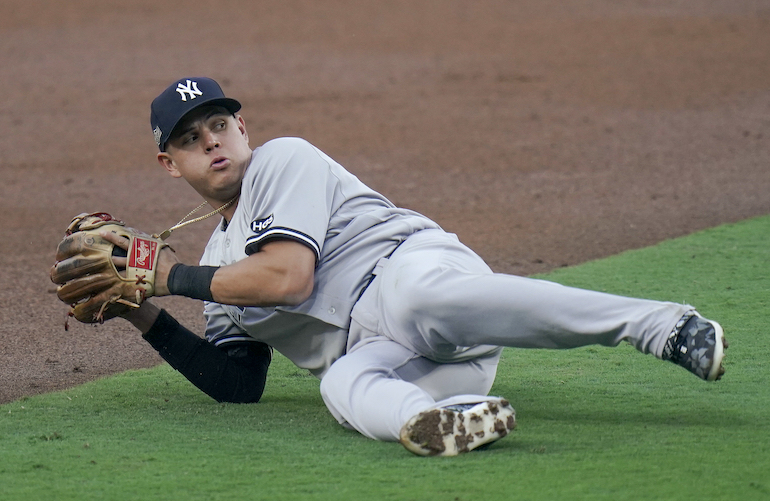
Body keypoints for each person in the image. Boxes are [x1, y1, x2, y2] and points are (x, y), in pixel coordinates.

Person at [110, 76, 726, 456]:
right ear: (170, 163)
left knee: (421, 302)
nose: (212, 141)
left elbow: (289, 278)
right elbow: (237, 385)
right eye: (191, 138)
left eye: (219, 125)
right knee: (341, 386)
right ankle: (441, 423)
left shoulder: (281, 160)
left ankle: (660, 326)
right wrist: (145, 312)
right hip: (421, 367)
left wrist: (169, 278)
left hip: (411, 272)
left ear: (242, 127)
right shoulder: (218, 268)